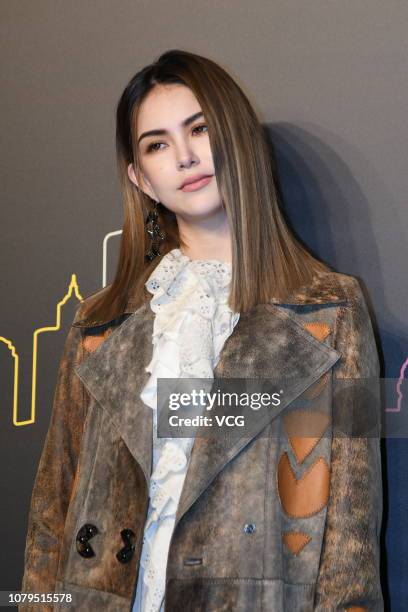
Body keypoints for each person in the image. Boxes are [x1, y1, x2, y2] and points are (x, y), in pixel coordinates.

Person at [20, 49, 383, 611]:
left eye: (200, 129)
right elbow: (51, 515)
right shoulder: (98, 323)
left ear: (236, 139)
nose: (185, 156)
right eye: (157, 144)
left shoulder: (331, 312)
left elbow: (350, 533)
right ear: (140, 177)